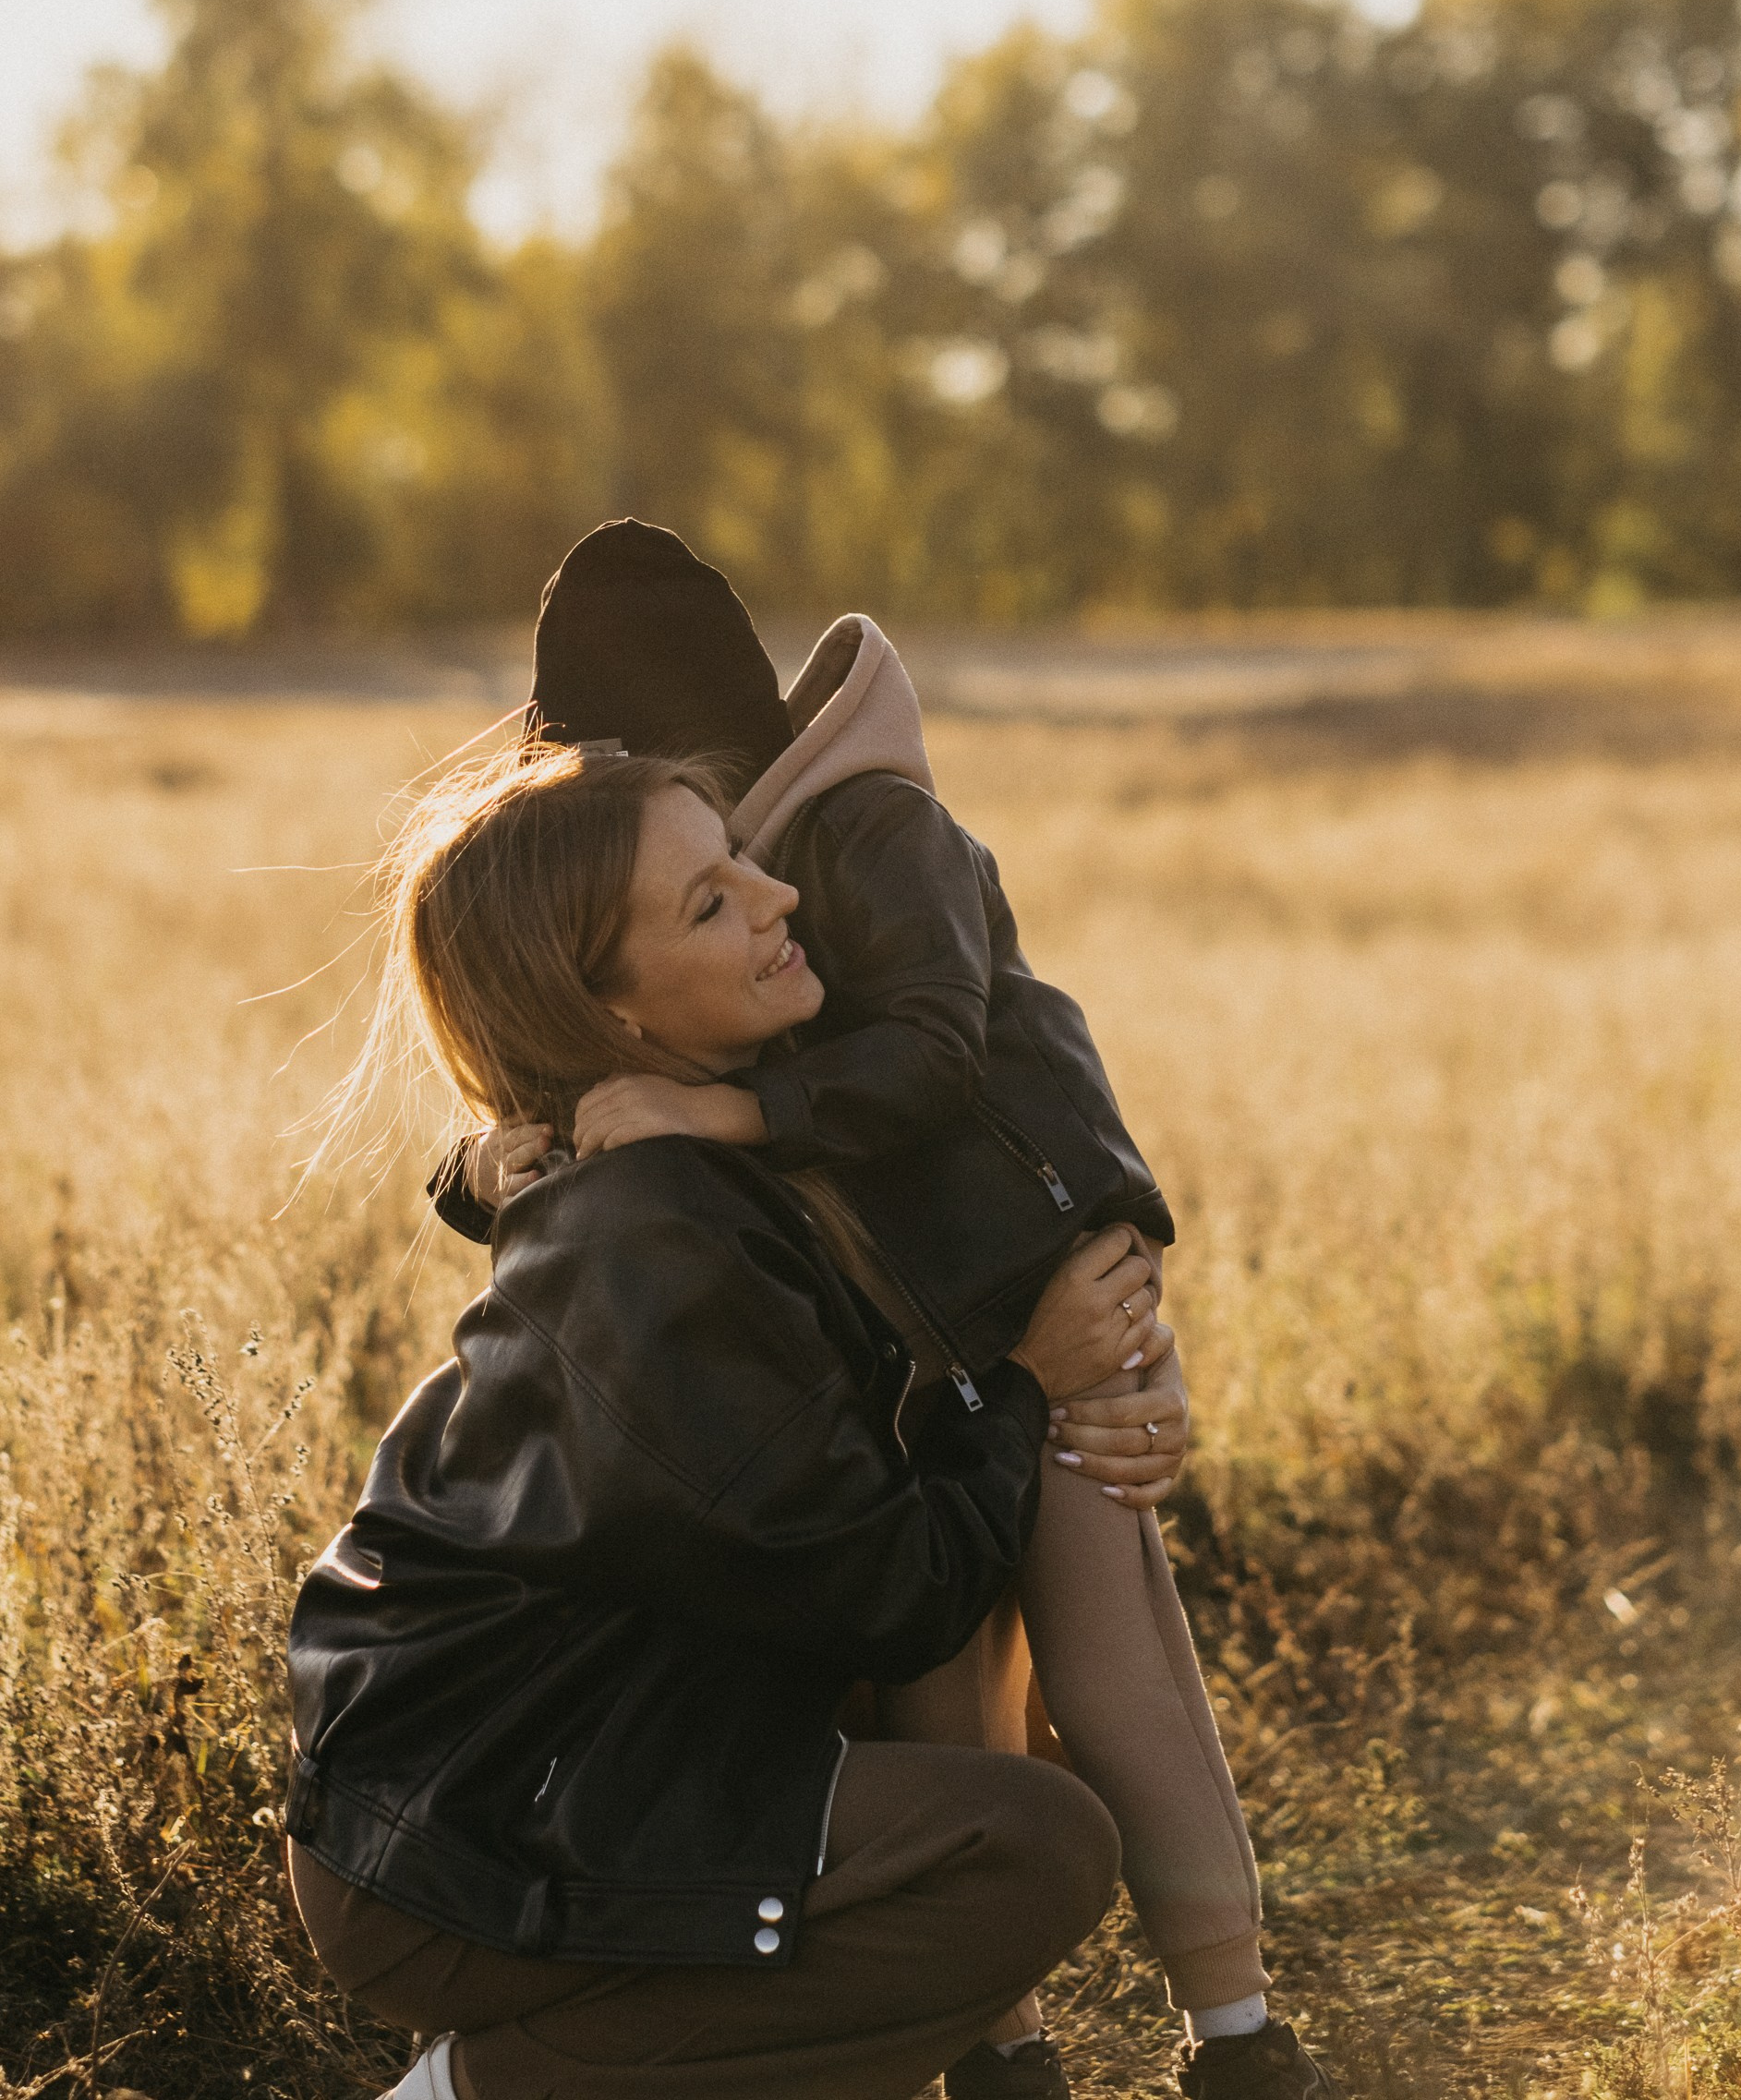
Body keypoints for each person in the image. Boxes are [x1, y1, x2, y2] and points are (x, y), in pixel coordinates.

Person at [431, 520, 1333, 2100]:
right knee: (933, 1696)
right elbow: (563, 1083)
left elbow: (927, 1057)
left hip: (1030, 1278)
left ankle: (1239, 2028)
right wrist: (498, 1158)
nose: (745, 892)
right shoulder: (687, 878)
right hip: (914, 1347)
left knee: (1113, 1656)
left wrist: (730, 1124)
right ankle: (1003, 2049)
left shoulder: (869, 834)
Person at [286, 741, 1157, 2100]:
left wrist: (1107, 1382)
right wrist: (1027, 1381)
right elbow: (890, 1591)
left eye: (744, 862)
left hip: (593, 1761)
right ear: (613, 1018)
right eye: (710, 903)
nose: (781, 900)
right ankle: (477, 2093)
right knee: (1028, 1852)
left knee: (1006, 1815)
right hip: (471, 1827)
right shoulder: (648, 1236)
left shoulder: (727, 1154)